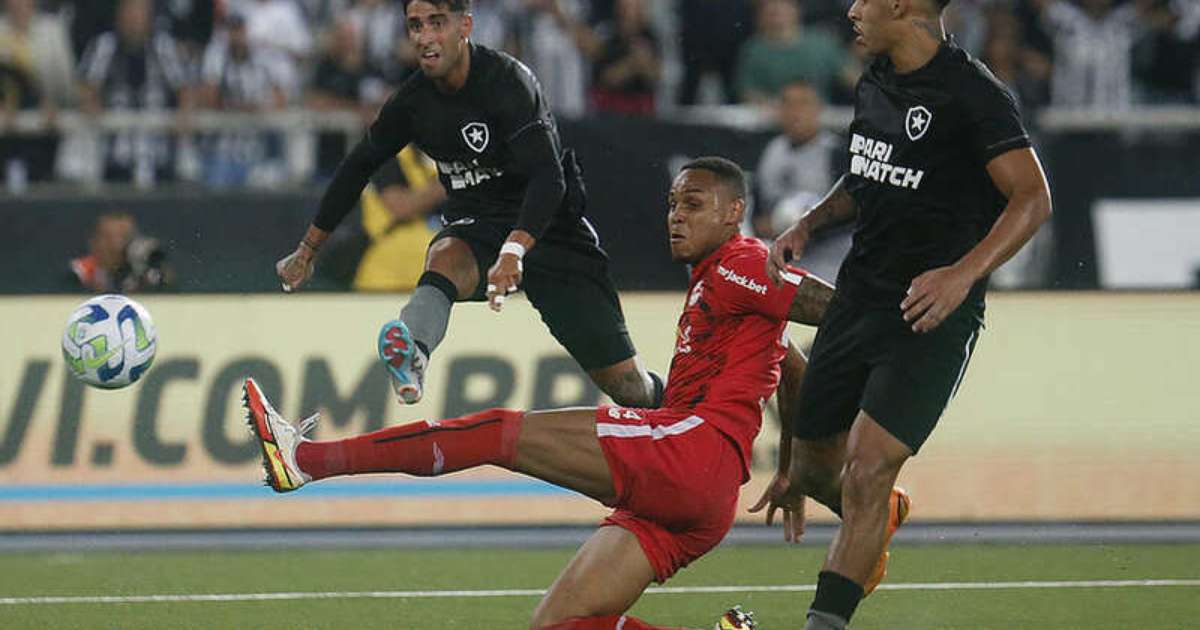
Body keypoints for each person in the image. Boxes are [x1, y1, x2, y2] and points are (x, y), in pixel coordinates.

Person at [249, 157, 832, 630]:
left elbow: (827, 308)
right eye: (673, 203)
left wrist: (889, 310)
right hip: (697, 495)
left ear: (735, 213)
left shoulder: (744, 262)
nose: (676, 216)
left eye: (694, 204)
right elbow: (793, 364)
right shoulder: (726, 281)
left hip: (689, 453)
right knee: (559, 626)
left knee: (496, 434)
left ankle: (304, 461)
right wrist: (791, 468)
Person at [756, 0, 1054, 628]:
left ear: (900, 5)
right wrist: (808, 224)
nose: (852, 10)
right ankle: (877, 517)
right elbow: (867, 176)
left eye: (864, 0)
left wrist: (962, 274)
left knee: (867, 470)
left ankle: (824, 620)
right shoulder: (876, 77)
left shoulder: (972, 94)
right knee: (814, 469)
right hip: (858, 294)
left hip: (929, 312)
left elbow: (1033, 198)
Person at [276, 0, 664, 409]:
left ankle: (682, 406)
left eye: (436, 23)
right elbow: (356, 168)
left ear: (465, 25)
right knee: (444, 254)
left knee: (627, 388)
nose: (424, 38)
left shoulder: (508, 80)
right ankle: (414, 352)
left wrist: (515, 248)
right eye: (415, 26)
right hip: (477, 226)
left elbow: (548, 178)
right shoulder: (411, 102)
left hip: (550, 229)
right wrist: (307, 250)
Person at [752, 81, 845, 281]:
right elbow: (757, 218)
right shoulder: (771, 152)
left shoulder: (837, 153)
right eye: (788, 104)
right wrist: (779, 223)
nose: (795, 112)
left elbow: (851, 215)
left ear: (819, 109)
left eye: (804, 103)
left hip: (830, 266)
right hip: (781, 266)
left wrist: (807, 225)